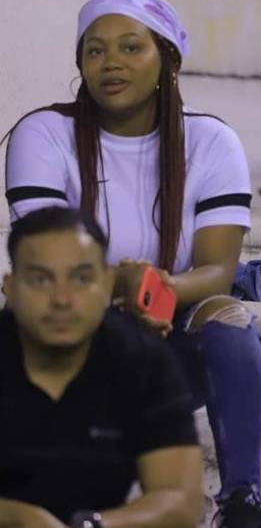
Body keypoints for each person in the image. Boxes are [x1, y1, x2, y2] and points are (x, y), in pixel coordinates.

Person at [4, 0, 261, 527]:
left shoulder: (212, 141)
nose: (112, 63)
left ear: (167, 59)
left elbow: (217, 271)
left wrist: (152, 289)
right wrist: (125, 288)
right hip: (72, 340)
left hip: (166, 339)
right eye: (95, 51)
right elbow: (46, 260)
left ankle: (244, 501)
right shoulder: (43, 135)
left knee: (230, 317)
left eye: (132, 47)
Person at [0, 206, 202, 528]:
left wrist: (93, 525)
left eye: (82, 279)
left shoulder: (143, 361)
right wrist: (19, 519)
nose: (62, 299)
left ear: (108, 284)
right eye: (41, 279)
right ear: (10, 287)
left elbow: (180, 501)